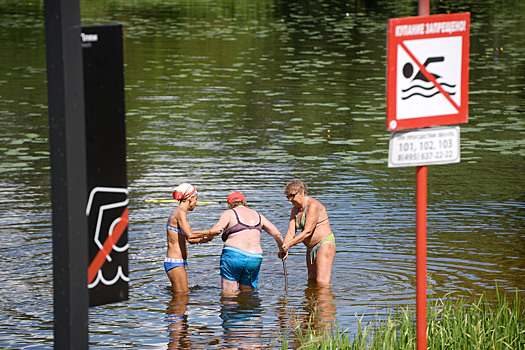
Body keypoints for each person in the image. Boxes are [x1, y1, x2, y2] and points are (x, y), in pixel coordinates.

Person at [209, 192, 286, 292]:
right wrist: (282, 250)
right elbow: (277, 234)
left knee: (229, 294)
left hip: (234, 255)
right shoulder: (259, 215)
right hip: (255, 258)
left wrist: (202, 238)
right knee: (248, 294)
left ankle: (229, 306)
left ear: (229, 205)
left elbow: (218, 229)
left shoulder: (229, 213)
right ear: (245, 202)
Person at [165, 183, 221, 293]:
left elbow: (189, 239)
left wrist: (204, 239)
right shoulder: (180, 212)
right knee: (182, 297)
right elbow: (190, 234)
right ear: (190, 199)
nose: (196, 203)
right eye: (196, 199)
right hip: (175, 262)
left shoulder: (178, 213)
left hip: (177, 261)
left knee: (181, 297)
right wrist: (210, 231)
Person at [281, 180, 335, 284]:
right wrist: (283, 248)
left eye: (292, 195)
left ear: (302, 192)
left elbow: (308, 232)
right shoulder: (295, 210)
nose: (290, 200)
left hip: (324, 244)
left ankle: (325, 300)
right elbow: (291, 232)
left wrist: (288, 245)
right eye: (288, 197)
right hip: (310, 248)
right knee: (311, 279)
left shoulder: (313, 205)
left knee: (321, 282)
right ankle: (310, 300)